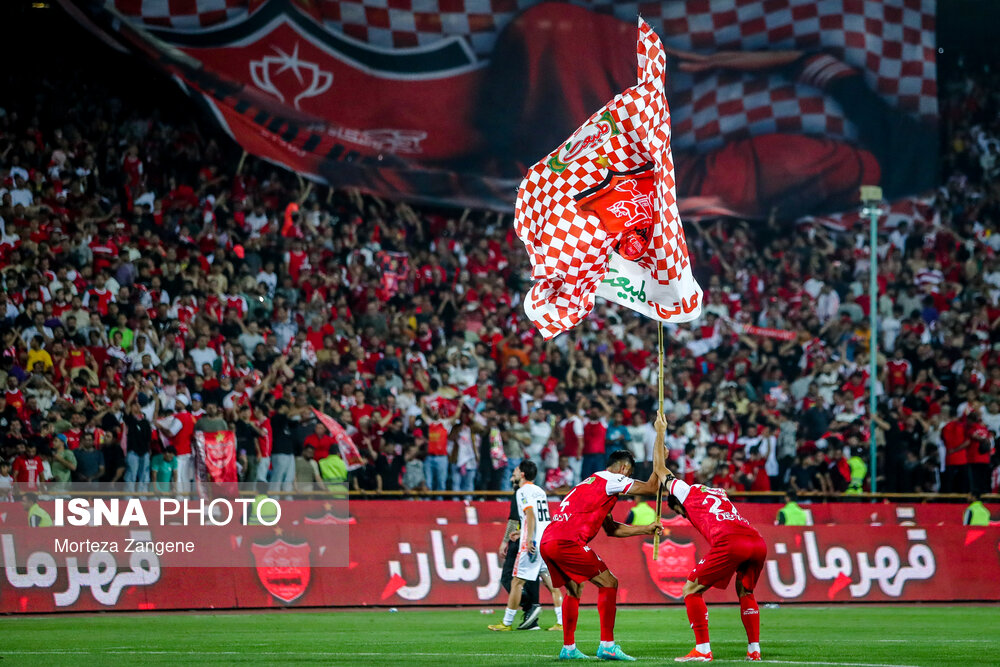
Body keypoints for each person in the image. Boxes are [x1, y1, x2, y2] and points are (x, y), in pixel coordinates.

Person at [539, 413, 668, 661]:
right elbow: (652, 486)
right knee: (610, 583)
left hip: (549, 540)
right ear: (622, 469)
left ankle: (568, 648)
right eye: (629, 473)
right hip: (567, 542)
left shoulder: (588, 485)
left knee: (574, 590)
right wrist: (659, 436)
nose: (629, 479)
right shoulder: (612, 479)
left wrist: (646, 528)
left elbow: (612, 530)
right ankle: (607, 645)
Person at [662, 474, 768, 662]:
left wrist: (659, 451)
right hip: (757, 541)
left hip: (731, 542)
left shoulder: (685, 493)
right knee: (746, 592)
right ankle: (754, 650)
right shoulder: (719, 492)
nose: (683, 516)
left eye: (679, 512)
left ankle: (702, 649)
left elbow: (662, 472)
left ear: (678, 504)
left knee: (690, 589)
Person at [488, 460, 563, 633]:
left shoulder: (522, 491)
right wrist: (522, 533)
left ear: (522, 474)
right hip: (546, 541)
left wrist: (528, 539)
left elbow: (530, 514)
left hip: (533, 545)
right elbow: (543, 519)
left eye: (515, 470)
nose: (513, 473)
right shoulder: (540, 491)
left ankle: (506, 623)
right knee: (552, 585)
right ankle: (561, 622)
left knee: (516, 582)